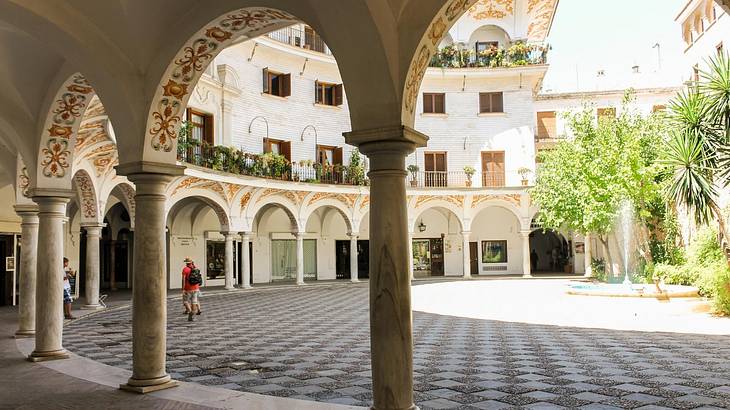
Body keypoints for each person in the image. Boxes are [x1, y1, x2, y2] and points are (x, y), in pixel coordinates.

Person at [181, 257, 202, 322]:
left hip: (188, 288)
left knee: (185, 301)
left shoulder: (185, 269)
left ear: (186, 263)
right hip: (196, 288)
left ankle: (190, 312)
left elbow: (183, 279)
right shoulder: (195, 268)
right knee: (194, 302)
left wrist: (183, 289)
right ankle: (192, 314)